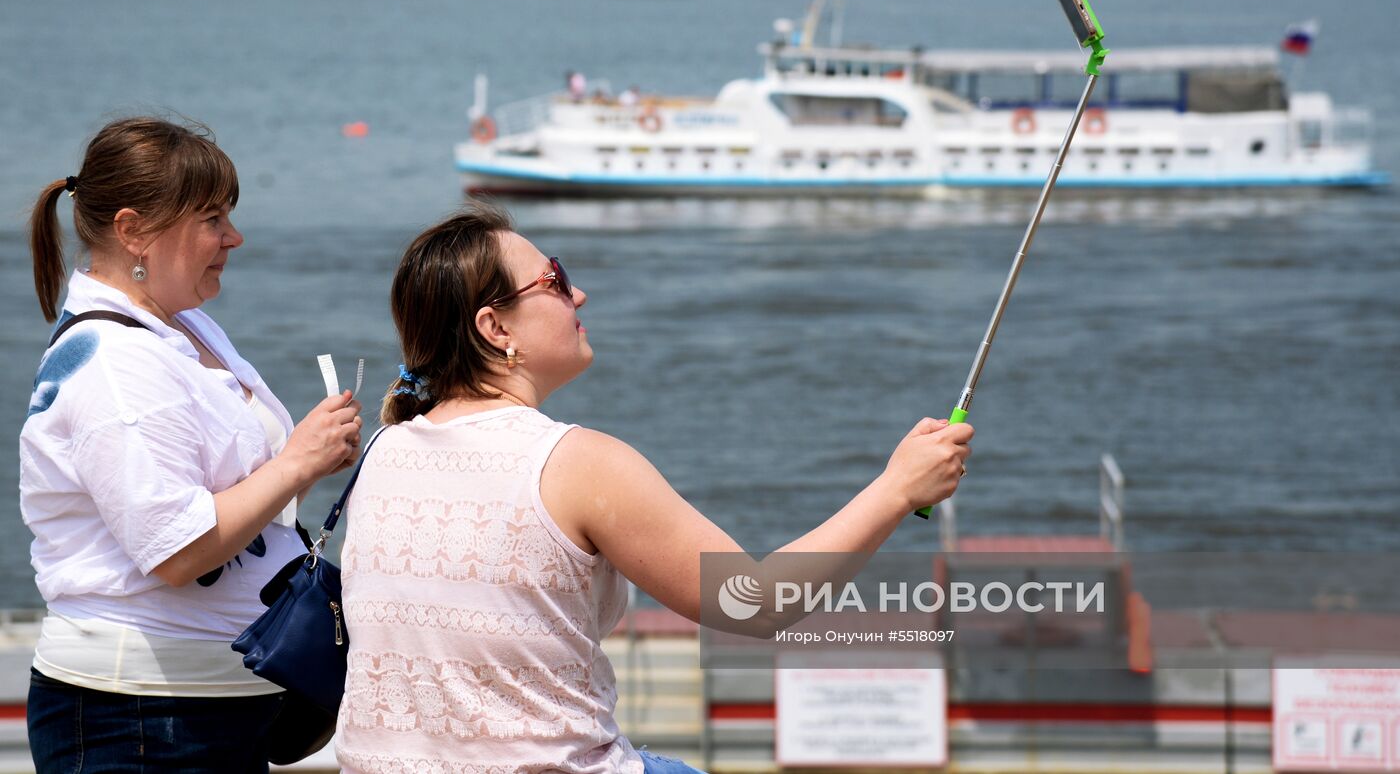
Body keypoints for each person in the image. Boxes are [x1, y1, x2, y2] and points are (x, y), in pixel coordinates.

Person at [335, 205, 972, 773]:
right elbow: (755, 603)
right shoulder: (576, 464)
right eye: (553, 280)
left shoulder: (383, 449)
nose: (578, 294)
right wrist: (895, 490)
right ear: (496, 329)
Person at [20, 117, 364, 772]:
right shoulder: (115, 362)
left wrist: (305, 463)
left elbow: (218, 495)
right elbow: (177, 551)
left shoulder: (180, 325)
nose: (233, 237)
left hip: (202, 705)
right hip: (141, 715)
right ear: (132, 230)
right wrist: (296, 464)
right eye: (211, 218)